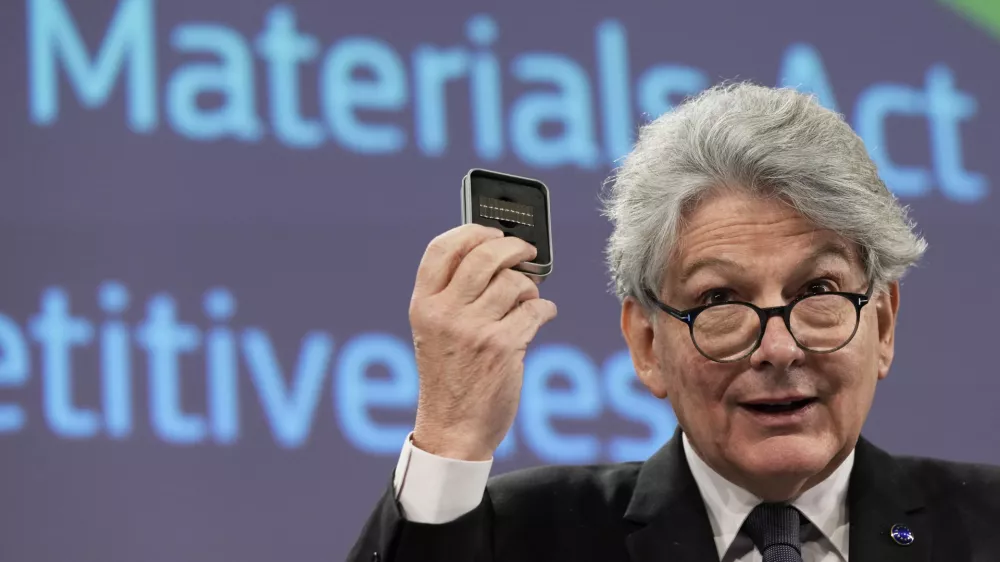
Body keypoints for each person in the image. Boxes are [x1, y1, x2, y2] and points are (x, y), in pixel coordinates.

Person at [347, 83, 1000, 562]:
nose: (778, 346)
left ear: (882, 324)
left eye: (819, 289)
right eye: (719, 300)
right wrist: (452, 435)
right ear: (646, 343)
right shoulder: (522, 536)